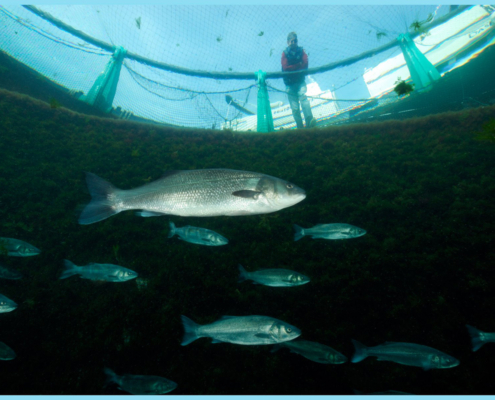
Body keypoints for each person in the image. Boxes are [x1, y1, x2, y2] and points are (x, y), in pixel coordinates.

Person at [281, 32, 315, 129]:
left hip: (300, 82)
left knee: (303, 99)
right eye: (292, 41)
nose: (294, 43)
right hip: (290, 84)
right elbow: (285, 67)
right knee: (295, 107)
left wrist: (295, 67)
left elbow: (305, 64)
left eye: (295, 41)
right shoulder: (285, 53)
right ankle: (300, 126)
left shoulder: (301, 51)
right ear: (288, 42)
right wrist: (298, 66)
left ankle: (309, 122)